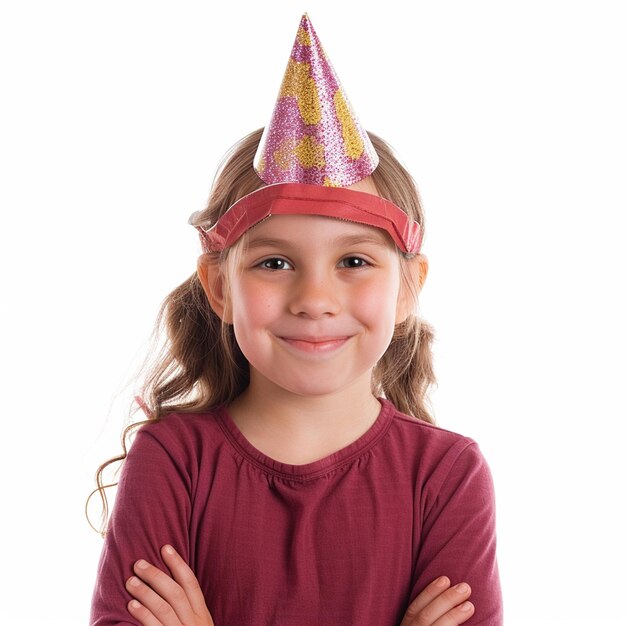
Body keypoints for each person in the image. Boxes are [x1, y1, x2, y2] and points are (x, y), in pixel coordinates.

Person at [89, 14, 502, 626]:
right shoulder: (173, 461)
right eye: (276, 261)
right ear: (219, 289)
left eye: (354, 260)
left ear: (409, 287)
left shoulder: (444, 476)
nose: (314, 298)